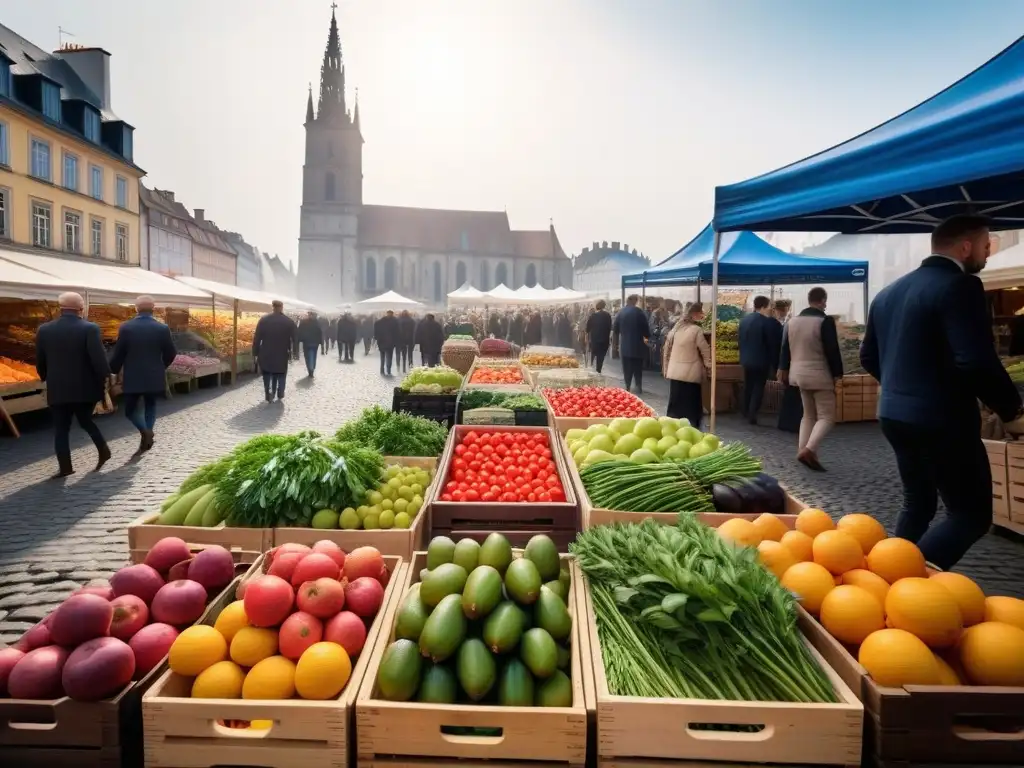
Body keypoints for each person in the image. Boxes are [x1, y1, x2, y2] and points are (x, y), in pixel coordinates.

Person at [861, 214, 1024, 569]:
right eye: (985, 246)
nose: (987, 254)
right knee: (970, 514)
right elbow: (976, 360)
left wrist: (904, 388)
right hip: (941, 419)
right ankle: (905, 581)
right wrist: (1011, 411)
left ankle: (880, 575)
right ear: (966, 247)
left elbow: (868, 356)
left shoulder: (889, 292)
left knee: (917, 504)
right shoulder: (960, 285)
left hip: (894, 413)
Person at [35, 291, 112, 477]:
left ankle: (65, 467)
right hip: (85, 388)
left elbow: (40, 361)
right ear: (81, 308)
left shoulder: (44, 330)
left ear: (60, 308)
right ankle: (103, 450)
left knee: (61, 429)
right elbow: (98, 360)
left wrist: (45, 376)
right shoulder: (89, 328)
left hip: (58, 388)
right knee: (86, 421)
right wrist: (105, 380)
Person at [778, 287, 844, 471]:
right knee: (827, 417)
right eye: (825, 301)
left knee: (808, 415)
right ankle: (809, 449)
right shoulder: (824, 321)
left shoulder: (792, 322)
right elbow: (832, 350)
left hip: (798, 374)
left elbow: (784, 348)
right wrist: (838, 373)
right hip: (819, 374)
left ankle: (802, 449)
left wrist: (783, 368)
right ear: (822, 300)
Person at [108, 295, 177, 455]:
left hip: (133, 375)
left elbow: (119, 353)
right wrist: (161, 366)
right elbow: (171, 353)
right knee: (150, 405)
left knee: (130, 410)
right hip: (154, 374)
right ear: (153, 308)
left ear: (136, 308)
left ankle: (145, 433)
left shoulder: (126, 327)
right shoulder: (162, 328)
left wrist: (113, 369)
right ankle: (148, 433)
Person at [662, 302, 712, 428]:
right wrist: (709, 365)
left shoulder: (676, 328)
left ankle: (673, 423)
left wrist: (666, 368)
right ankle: (691, 425)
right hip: (690, 373)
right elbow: (705, 349)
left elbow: (667, 350)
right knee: (691, 402)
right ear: (694, 314)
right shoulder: (696, 330)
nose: (702, 315)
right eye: (700, 313)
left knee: (676, 401)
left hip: (675, 372)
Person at [739, 296, 783, 425]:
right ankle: (752, 413)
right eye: (769, 306)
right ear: (764, 306)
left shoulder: (744, 320)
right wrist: (775, 364)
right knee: (758, 386)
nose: (770, 309)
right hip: (761, 360)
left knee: (748, 385)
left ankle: (745, 410)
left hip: (746, 359)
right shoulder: (767, 322)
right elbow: (772, 344)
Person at [253, 300, 297, 402]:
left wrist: (255, 352)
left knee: (267, 373)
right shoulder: (288, 321)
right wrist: (295, 352)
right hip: (281, 352)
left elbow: (257, 338)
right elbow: (295, 339)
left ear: (272, 307)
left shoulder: (263, 320)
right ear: (282, 307)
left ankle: (268, 391)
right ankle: (280, 391)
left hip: (266, 352)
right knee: (281, 373)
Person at [613, 295, 652, 393]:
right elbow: (646, 330)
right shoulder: (639, 312)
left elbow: (615, 329)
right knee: (638, 367)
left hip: (625, 345)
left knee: (626, 367)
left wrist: (615, 345)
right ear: (634, 301)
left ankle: (627, 385)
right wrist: (647, 337)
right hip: (638, 346)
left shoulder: (620, 312)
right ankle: (638, 385)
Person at [586, 299, 613, 373]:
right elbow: (610, 327)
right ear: (604, 306)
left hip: (595, 340)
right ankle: (598, 370)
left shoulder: (593, 316)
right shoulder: (608, 315)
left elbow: (587, 329)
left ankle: (591, 365)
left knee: (594, 352)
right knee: (601, 357)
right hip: (604, 340)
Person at [296, 311, 323, 377]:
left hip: (307, 342)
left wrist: (299, 340)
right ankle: (312, 369)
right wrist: (321, 343)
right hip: (314, 342)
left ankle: (310, 370)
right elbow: (320, 332)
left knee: (307, 356)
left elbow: (299, 331)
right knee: (313, 356)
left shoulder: (304, 321)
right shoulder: (318, 322)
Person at [374, 310, 399, 376]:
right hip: (390, 343)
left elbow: (376, 329)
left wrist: (377, 338)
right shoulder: (395, 322)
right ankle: (388, 370)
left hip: (382, 342)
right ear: (392, 314)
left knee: (382, 356)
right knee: (389, 357)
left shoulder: (380, 322)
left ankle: (382, 370)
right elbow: (397, 333)